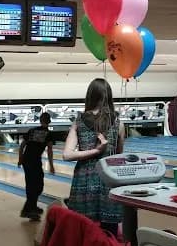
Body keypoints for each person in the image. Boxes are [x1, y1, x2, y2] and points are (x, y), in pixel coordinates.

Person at [63, 78, 125, 235]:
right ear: (109, 96)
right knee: (109, 233)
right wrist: (99, 151)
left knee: (82, 231)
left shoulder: (79, 122)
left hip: (84, 180)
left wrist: (94, 152)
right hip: (108, 180)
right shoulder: (118, 123)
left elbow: (67, 155)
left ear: (89, 96)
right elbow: (118, 158)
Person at [18, 112, 56, 221]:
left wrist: (20, 159)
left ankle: (32, 207)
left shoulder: (32, 130)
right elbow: (49, 151)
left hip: (27, 160)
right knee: (36, 186)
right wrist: (52, 166)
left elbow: (22, 146)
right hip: (33, 161)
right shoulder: (48, 134)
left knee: (33, 185)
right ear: (49, 121)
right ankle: (28, 210)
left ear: (40, 120)